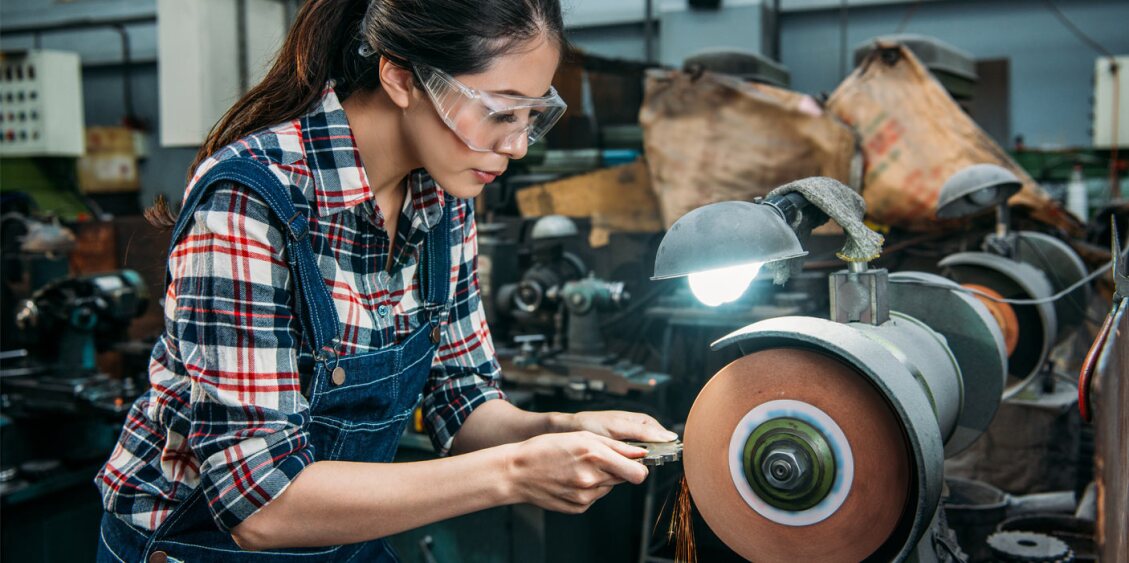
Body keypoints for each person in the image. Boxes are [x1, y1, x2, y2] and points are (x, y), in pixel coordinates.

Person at [94, 1, 677, 561]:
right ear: (401, 77)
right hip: (203, 549)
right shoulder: (250, 201)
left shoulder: (444, 199)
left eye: (532, 116)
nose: (517, 146)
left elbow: (461, 400)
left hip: (343, 538)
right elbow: (261, 504)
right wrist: (518, 472)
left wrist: (560, 428)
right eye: (500, 112)